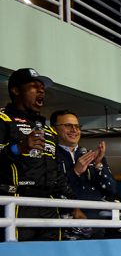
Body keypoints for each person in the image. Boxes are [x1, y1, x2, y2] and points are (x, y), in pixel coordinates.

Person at [1, 68, 81, 241]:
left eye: (42, 88)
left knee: (51, 254)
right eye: (34, 86)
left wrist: (73, 204)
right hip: (14, 203)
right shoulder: (3, 120)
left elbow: (57, 171)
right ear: (15, 90)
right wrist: (18, 148)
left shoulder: (48, 131)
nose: (41, 91)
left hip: (48, 205)